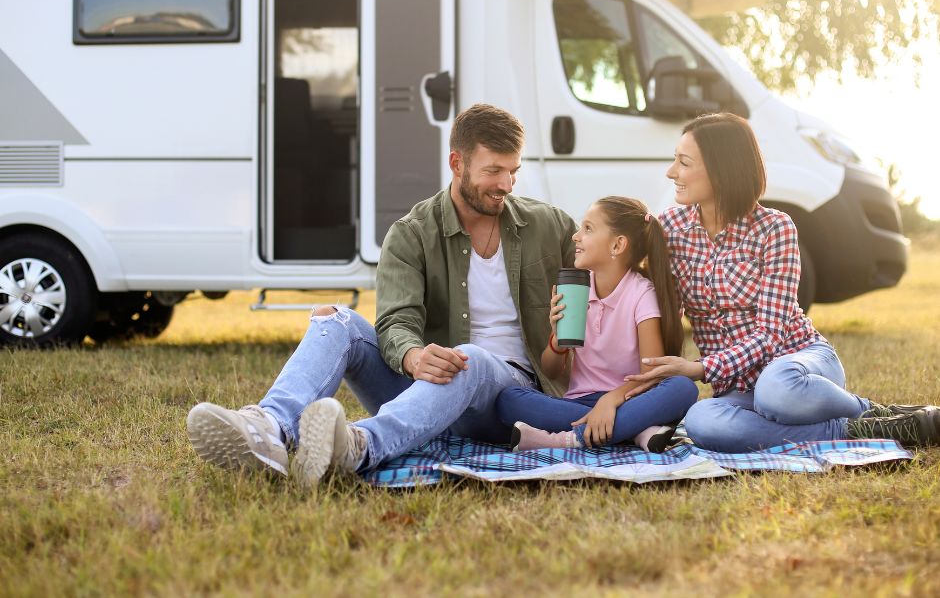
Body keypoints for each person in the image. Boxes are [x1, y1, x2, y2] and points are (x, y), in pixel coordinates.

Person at [186, 104, 577, 485]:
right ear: (457, 163)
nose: (506, 185)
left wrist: (639, 235)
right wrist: (414, 356)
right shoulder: (412, 233)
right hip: (426, 389)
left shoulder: (550, 225)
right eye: (494, 171)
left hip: (509, 398)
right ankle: (268, 428)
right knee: (336, 319)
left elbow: (611, 276)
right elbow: (395, 321)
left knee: (469, 358)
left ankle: (359, 446)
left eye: (513, 171)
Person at [619, 112, 939, 451]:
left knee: (777, 393)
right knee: (702, 421)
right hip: (738, 388)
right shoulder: (671, 228)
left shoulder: (776, 228)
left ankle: (872, 412)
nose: (672, 173)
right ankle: (860, 429)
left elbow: (770, 336)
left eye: (683, 163)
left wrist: (699, 368)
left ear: (720, 169)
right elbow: (644, 294)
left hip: (797, 364)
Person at [496, 197, 699, 452]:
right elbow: (552, 371)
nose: (576, 237)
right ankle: (633, 430)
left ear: (617, 245)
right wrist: (557, 342)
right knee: (508, 399)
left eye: (588, 229)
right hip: (580, 402)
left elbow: (652, 373)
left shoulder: (640, 293)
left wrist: (611, 400)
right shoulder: (575, 289)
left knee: (682, 388)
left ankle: (569, 439)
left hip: (630, 397)